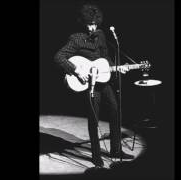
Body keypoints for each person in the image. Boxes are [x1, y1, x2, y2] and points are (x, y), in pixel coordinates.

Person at [53, 3, 134, 167]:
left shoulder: (101, 34)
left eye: (95, 24)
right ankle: (96, 155)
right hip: (88, 84)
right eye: (90, 24)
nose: (92, 28)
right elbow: (59, 57)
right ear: (83, 22)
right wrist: (76, 70)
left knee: (115, 111)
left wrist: (118, 68)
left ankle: (116, 150)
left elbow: (106, 59)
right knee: (94, 119)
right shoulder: (76, 38)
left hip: (103, 80)